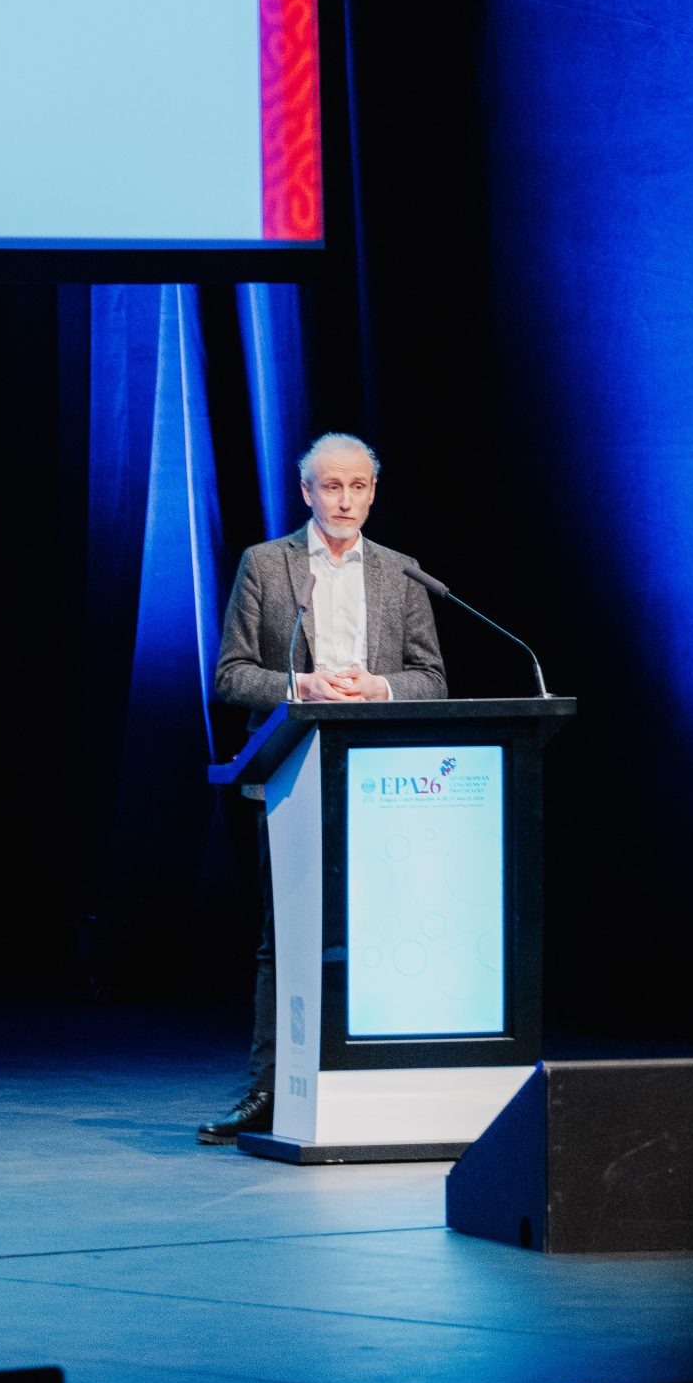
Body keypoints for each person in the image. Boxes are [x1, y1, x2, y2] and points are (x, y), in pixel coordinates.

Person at [197, 431, 447, 1145]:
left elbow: (431, 679)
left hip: (381, 780)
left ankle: (385, 1087)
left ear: (373, 492)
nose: (345, 500)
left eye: (358, 486)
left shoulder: (402, 573)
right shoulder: (266, 564)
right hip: (291, 775)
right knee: (287, 938)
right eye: (331, 486)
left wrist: (379, 687)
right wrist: (298, 687)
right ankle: (270, 1090)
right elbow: (230, 674)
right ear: (307, 491)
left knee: (382, 934)